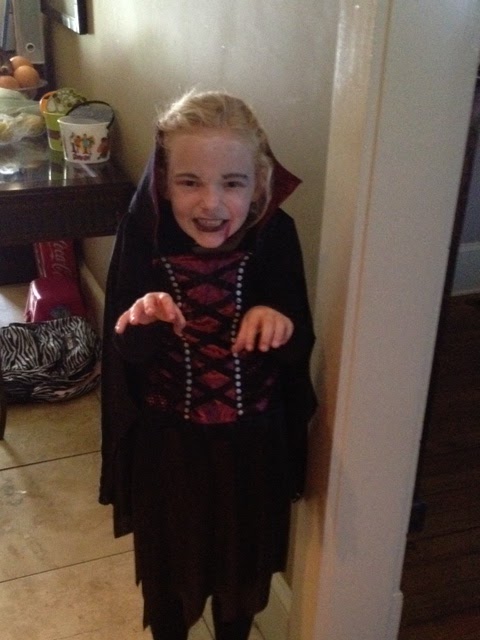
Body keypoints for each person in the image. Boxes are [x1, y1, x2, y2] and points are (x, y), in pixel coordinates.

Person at [99, 89, 317, 640]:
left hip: (253, 446)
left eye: (233, 183)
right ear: (162, 183)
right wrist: (144, 320)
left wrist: (277, 320)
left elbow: (298, 347)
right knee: (169, 574)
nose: (211, 203)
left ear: (259, 184)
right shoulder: (142, 236)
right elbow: (125, 358)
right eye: (190, 182)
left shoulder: (277, 236)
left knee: (240, 571)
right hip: (168, 448)